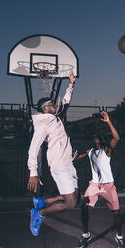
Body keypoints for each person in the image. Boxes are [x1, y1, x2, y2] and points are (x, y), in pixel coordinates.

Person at [27, 72, 78, 236]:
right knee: (71, 203)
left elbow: (64, 103)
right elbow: (33, 148)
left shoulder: (55, 117)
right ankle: (39, 214)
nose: (55, 105)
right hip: (59, 165)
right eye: (51, 104)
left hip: (67, 163)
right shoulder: (43, 123)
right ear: (44, 108)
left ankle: (45, 201)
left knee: (76, 196)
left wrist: (71, 84)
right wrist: (33, 173)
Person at [74, 112, 125, 248]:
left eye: (100, 137)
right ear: (94, 139)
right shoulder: (90, 151)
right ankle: (86, 235)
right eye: (96, 137)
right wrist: (70, 155)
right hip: (95, 186)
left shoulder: (107, 150)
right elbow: (77, 157)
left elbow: (116, 137)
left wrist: (108, 122)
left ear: (102, 139)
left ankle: (119, 237)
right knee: (84, 206)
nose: (98, 138)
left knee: (116, 213)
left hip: (108, 186)